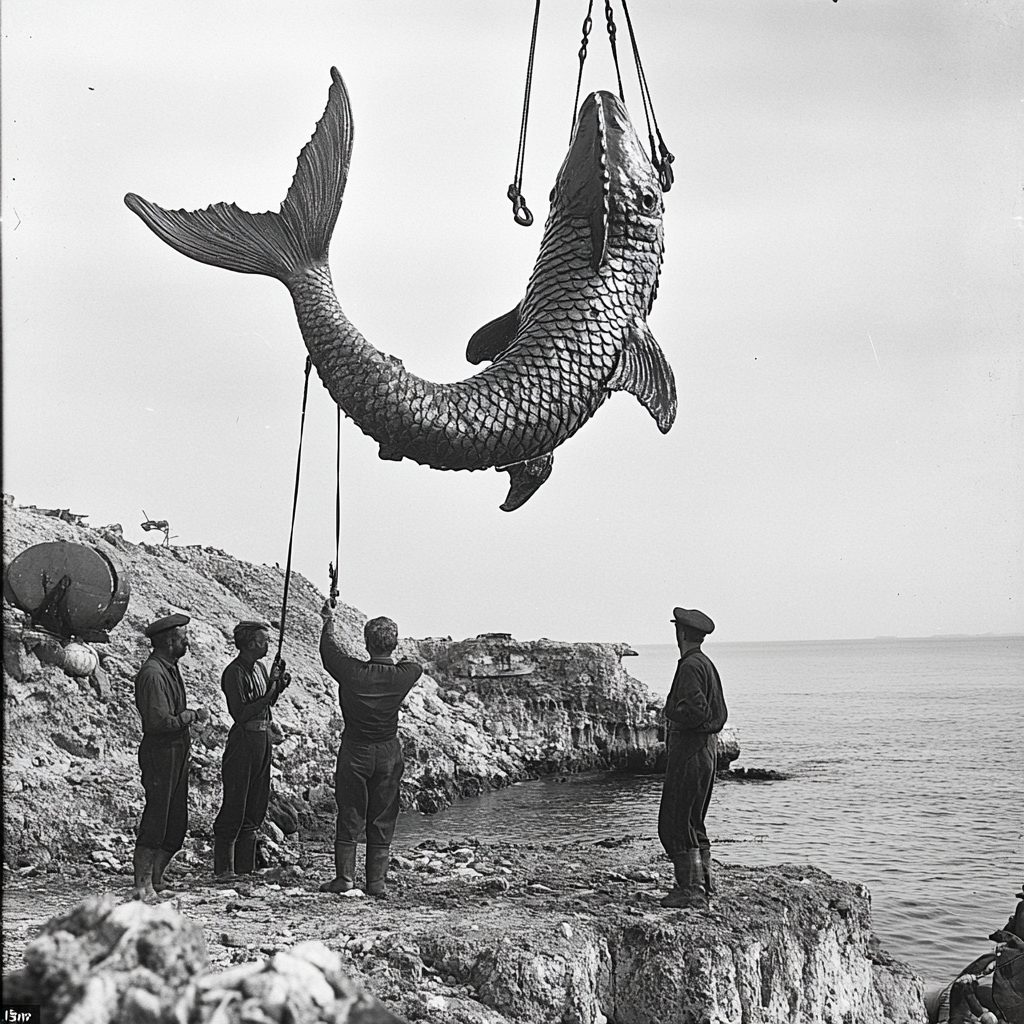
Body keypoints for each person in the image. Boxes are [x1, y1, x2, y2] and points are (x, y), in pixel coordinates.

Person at [317, 604, 422, 896]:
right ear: (394, 644)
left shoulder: (352, 672)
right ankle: (376, 882)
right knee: (383, 814)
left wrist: (329, 621)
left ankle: (345, 879)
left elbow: (329, 652)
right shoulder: (404, 675)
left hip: (355, 749)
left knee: (350, 811)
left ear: (366, 643)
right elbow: (416, 664)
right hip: (388, 751)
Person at [132, 612, 209, 901]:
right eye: (182, 637)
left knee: (175, 821)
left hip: (176, 751)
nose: (186, 641)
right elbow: (158, 722)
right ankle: (142, 885)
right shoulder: (153, 673)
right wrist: (190, 716)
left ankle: (157, 878)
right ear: (168, 641)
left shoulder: (169, 668)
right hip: (161, 752)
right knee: (156, 819)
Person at [658, 606, 728, 910]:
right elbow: (715, 712)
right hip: (706, 751)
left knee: (675, 823)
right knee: (693, 821)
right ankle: (704, 886)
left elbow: (695, 712)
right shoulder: (705, 664)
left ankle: (691, 892)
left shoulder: (689, 666)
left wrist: (668, 711)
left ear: (681, 633)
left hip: (689, 751)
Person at [212, 620, 290, 880]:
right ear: (250, 643)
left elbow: (265, 704)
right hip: (244, 741)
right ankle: (224, 869)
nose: (267, 644)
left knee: (256, 804)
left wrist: (276, 687)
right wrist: (271, 691)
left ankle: (245, 868)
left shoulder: (259, 669)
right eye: (263, 640)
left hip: (262, 739)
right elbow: (243, 713)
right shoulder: (233, 672)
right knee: (235, 804)